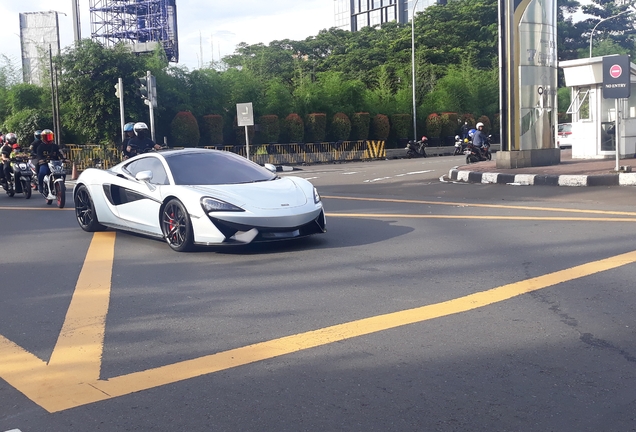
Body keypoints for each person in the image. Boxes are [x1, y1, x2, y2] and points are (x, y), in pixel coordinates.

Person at [36, 129, 64, 193]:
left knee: (62, 173)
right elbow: (39, 156)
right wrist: (41, 160)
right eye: (46, 137)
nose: (48, 139)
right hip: (45, 163)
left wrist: (63, 158)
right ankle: (40, 185)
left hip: (55, 163)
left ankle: (62, 185)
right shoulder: (40, 147)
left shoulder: (55, 146)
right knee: (42, 172)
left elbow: (60, 153)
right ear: (42, 138)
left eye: (49, 136)